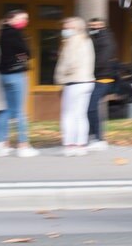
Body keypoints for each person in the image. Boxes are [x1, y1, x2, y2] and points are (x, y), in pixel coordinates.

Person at [0, 9, 39, 158]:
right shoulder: (15, 33)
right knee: (19, 111)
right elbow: (25, 52)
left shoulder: (1, 33)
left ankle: (0, 143)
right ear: (10, 19)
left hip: (3, 75)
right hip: (16, 75)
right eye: (22, 18)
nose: (24, 21)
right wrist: (23, 61)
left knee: (6, 110)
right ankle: (23, 144)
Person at [54, 17, 95, 157]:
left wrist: (60, 77)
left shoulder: (72, 41)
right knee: (81, 114)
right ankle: (81, 145)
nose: (64, 29)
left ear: (76, 28)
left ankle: (69, 145)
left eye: (67, 27)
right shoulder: (87, 40)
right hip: (87, 81)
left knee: (68, 115)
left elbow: (69, 62)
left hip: (73, 81)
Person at [86, 18, 117, 151]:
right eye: (92, 26)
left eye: (97, 25)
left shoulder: (106, 39)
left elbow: (102, 59)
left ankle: (99, 138)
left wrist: (91, 72)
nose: (94, 28)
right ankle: (93, 136)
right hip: (94, 78)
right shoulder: (94, 38)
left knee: (92, 107)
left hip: (103, 78)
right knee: (90, 108)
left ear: (103, 26)